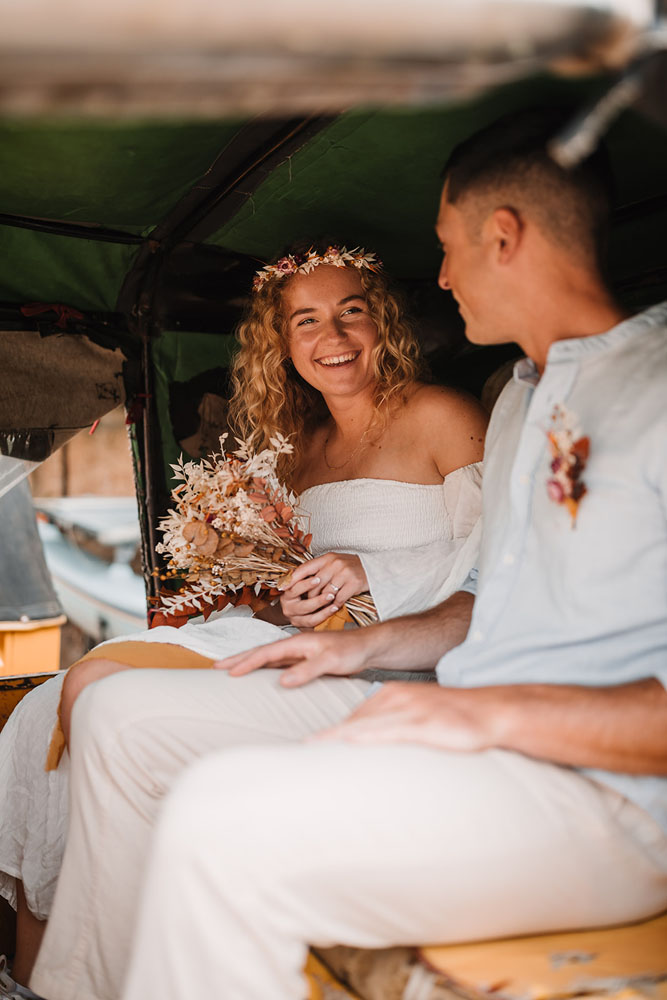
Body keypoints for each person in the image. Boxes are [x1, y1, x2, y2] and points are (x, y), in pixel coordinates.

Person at [31, 109, 667, 1000]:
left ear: (503, 235)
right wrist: (352, 644)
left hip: (607, 799)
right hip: (468, 728)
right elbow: (481, 598)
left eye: (445, 248)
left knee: (217, 820)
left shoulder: (655, 389)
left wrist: (484, 716)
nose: (439, 277)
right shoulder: (525, 398)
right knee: (122, 716)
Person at [0, 243, 486, 996]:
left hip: (397, 659)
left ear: (381, 320)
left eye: (350, 312)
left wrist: (371, 573)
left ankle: (105, 969)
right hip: (289, 641)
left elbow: (496, 562)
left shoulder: (440, 415)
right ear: (282, 343)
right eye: (307, 321)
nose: (333, 337)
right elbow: (276, 582)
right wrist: (272, 593)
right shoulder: (298, 449)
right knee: (44, 707)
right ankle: (34, 971)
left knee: (98, 694)